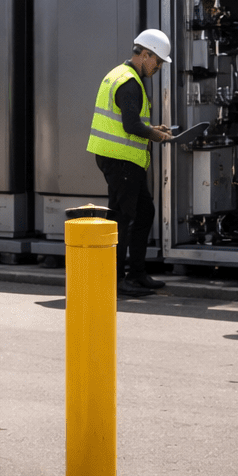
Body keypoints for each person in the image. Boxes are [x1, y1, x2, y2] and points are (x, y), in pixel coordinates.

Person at [87, 28, 174, 297]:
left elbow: (128, 120)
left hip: (120, 159)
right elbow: (131, 125)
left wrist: (153, 128)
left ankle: (137, 274)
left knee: (144, 212)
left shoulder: (119, 75)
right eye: (158, 61)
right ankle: (116, 280)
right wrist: (157, 136)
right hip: (121, 160)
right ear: (145, 54)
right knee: (122, 219)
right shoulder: (129, 82)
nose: (158, 67)